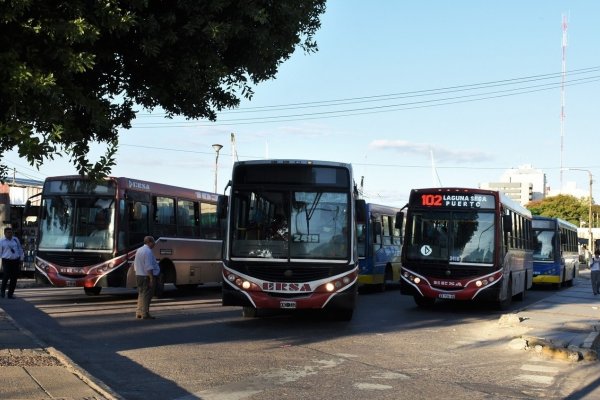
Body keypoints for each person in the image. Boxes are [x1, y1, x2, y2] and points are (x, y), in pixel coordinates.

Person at [134, 236, 160, 319]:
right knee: (147, 295)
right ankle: (145, 313)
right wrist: (151, 278)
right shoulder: (148, 251)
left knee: (141, 294)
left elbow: (135, 264)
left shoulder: (139, 250)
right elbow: (148, 266)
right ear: (149, 242)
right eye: (153, 242)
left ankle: (139, 312)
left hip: (139, 275)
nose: (154, 244)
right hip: (146, 276)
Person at [0, 227, 24, 299]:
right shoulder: (1, 241)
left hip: (15, 260)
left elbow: (20, 249)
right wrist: (4, 257)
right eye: (8, 232)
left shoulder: (15, 239)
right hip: (6, 260)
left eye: (11, 232)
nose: (10, 234)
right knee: (6, 276)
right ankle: (2, 291)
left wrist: (21, 258)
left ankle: (10, 294)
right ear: (5, 233)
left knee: (14, 278)